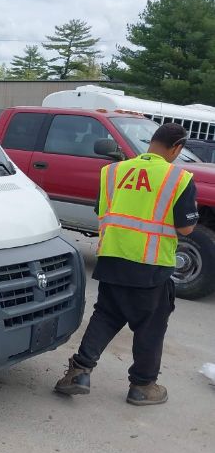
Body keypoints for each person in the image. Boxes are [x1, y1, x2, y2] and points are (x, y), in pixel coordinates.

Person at [55, 123, 198, 405]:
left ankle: (79, 372)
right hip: (151, 265)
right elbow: (186, 229)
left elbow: (102, 209)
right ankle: (143, 386)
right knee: (150, 326)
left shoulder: (113, 171)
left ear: (152, 142)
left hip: (112, 258)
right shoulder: (178, 178)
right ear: (177, 148)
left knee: (106, 315)